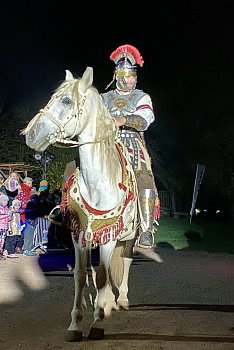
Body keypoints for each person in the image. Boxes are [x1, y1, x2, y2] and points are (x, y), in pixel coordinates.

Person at [101, 44, 160, 249]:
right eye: (130, 75)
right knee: (75, 168)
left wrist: (122, 119)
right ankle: (67, 213)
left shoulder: (142, 97)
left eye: (134, 75)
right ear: (119, 75)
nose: (134, 79)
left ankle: (146, 228)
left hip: (132, 144)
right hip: (106, 142)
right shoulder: (103, 98)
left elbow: (144, 120)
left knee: (145, 178)